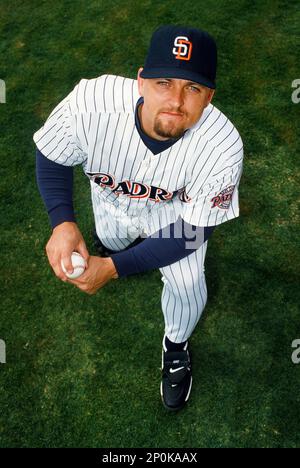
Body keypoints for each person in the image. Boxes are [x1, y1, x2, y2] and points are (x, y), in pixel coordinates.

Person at [34, 25, 243, 412]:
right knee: (111, 241)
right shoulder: (90, 103)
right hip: (112, 200)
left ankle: (176, 347)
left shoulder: (223, 147)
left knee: (186, 284)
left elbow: (193, 230)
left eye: (193, 88)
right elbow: (52, 153)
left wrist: (113, 270)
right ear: (141, 81)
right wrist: (62, 221)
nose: (176, 101)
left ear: (209, 97)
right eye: (165, 82)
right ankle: (118, 250)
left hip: (178, 219)